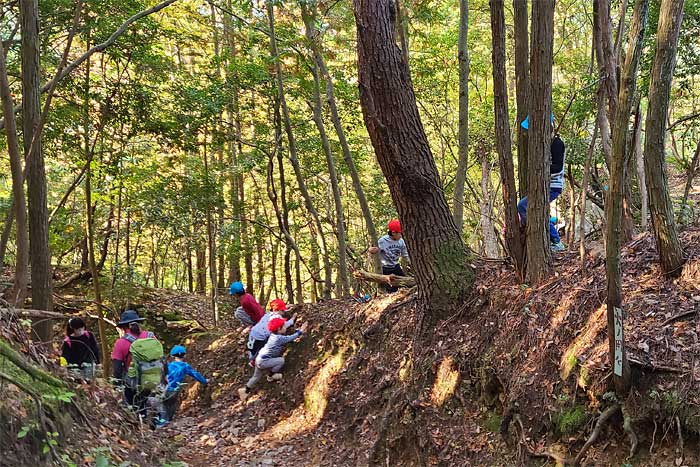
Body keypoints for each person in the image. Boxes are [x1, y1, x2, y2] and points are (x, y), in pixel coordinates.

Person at [516, 114, 566, 251]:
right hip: (544, 185)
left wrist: (541, 168)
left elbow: (558, 167)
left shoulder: (556, 144)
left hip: (553, 186)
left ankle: (556, 241)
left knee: (524, 205)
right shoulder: (543, 145)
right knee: (535, 209)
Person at [238, 318, 308, 402]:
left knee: (256, 377)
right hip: (264, 361)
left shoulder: (272, 335)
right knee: (281, 361)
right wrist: (301, 331)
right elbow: (290, 338)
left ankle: (245, 390)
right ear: (279, 329)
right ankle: (271, 376)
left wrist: (293, 319)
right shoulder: (278, 338)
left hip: (259, 359)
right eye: (284, 327)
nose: (285, 328)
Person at [111, 310, 157, 411]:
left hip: (133, 383)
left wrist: (116, 387)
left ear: (123, 327)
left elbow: (117, 369)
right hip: (152, 378)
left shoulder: (120, 343)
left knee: (135, 408)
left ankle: (141, 422)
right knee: (149, 403)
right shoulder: (150, 337)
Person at [158, 345, 208, 425]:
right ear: (184, 355)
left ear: (172, 355)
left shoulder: (169, 365)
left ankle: (161, 421)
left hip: (164, 388)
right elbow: (195, 374)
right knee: (172, 405)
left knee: (163, 405)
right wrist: (204, 381)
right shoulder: (185, 366)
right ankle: (166, 420)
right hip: (175, 389)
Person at [246, 298, 295, 367]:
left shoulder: (268, 314)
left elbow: (277, 311)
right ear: (278, 310)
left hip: (253, 332)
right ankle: (255, 361)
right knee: (262, 348)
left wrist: (285, 307)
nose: (284, 311)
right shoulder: (277, 317)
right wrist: (292, 319)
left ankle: (253, 359)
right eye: (282, 310)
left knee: (253, 349)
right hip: (261, 337)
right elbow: (284, 325)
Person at [368, 219, 410, 293]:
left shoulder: (401, 241)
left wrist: (410, 263)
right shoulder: (383, 241)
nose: (401, 235)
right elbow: (374, 250)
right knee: (390, 288)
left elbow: (405, 255)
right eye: (400, 233)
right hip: (385, 268)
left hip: (395, 266)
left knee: (405, 283)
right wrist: (371, 250)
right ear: (393, 233)